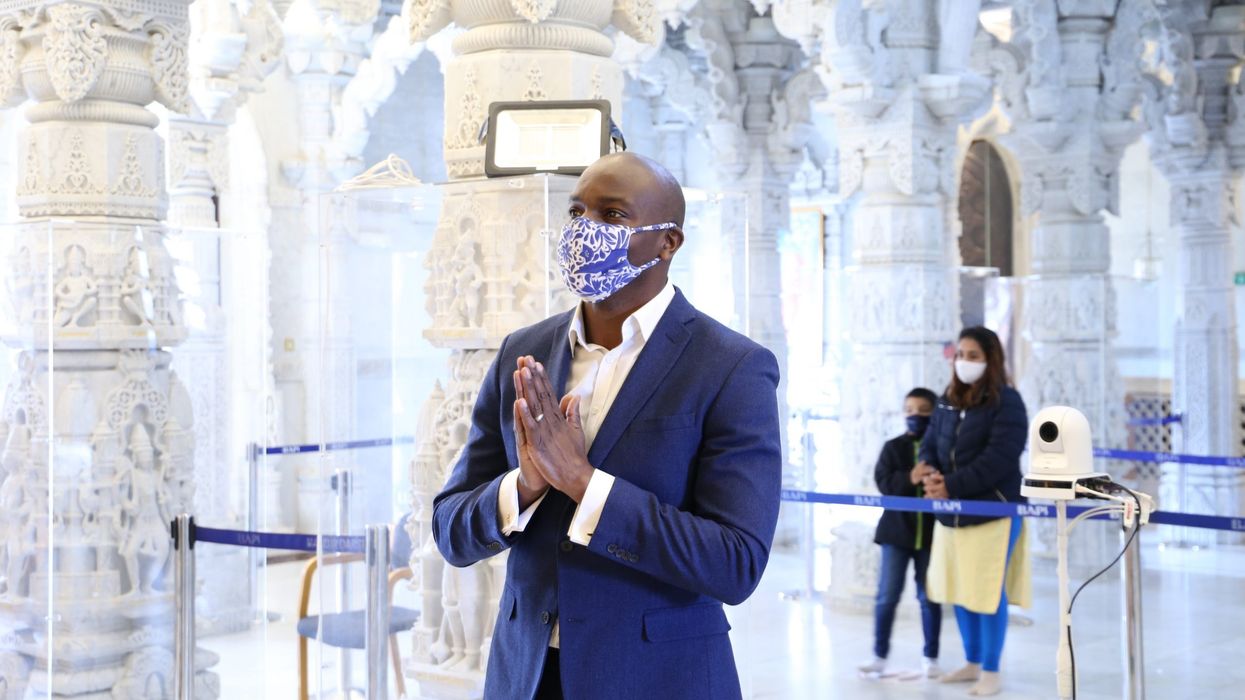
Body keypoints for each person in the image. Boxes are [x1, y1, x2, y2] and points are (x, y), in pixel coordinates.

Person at [432, 152, 782, 700]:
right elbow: (450, 529)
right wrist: (525, 485)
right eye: (577, 212)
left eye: (613, 214)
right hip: (525, 676)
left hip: (656, 678)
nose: (585, 229)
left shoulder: (731, 367)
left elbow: (735, 563)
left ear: (668, 242)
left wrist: (583, 483)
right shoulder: (523, 352)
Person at [919, 327, 1031, 697]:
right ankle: (972, 661)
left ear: (990, 359)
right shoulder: (948, 399)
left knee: (986, 591)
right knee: (959, 588)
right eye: (960, 355)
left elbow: (999, 458)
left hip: (991, 511)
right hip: (950, 512)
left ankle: (992, 669)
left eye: (973, 356)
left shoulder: (1007, 401)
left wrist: (951, 484)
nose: (963, 362)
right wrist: (930, 473)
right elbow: (931, 443)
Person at [859, 387, 942, 679]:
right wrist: (911, 477)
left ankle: (930, 657)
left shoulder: (941, 449)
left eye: (923, 410)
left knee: (929, 598)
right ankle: (879, 656)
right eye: (909, 410)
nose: (915, 415)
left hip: (931, 537)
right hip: (895, 535)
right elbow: (884, 483)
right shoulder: (892, 447)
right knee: (886, 596)